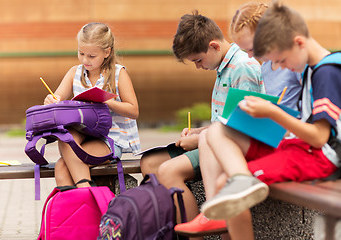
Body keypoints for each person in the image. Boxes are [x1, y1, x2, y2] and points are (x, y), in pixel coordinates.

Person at [197, 2, 341, 239]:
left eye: (281, 60)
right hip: (302, 149)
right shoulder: (314, 68)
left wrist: (272, 112)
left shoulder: (326, 72)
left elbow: (320, 138)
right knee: (216, 133)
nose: (280, 67)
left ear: (298, 43)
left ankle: (242, 181)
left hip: (321, 158)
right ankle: (243, 179)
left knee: (224, 183)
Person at [140, 10, 265, 239]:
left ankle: (197, 233)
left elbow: (241, 127)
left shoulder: (242, 68)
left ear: (214, 46)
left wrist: (197, 139)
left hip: (233, 148)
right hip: (214, 142)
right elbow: (225, 122)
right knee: (150, 163)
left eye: (198, 60)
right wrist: (200, 132)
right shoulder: (223, 68)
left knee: (167, 171)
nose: (198, 67)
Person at [44, 22, 141, 188]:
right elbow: (56, 101)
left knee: (62, 167)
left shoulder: (119, 74)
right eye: (81, 53)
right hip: (83, 133)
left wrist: (108, 101)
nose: (84, 60)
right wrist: (50, 102)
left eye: (91, 56)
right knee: (66, 137)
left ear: (107, 52)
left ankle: (85, 193)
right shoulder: (75, 72)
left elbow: (133, 111)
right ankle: (85, 196)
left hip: (111, 138)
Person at [230, 2, 302, 110]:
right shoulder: (265, 67)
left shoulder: (297, 63)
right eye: (245, 50)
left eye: (252, 49)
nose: (250, 56)